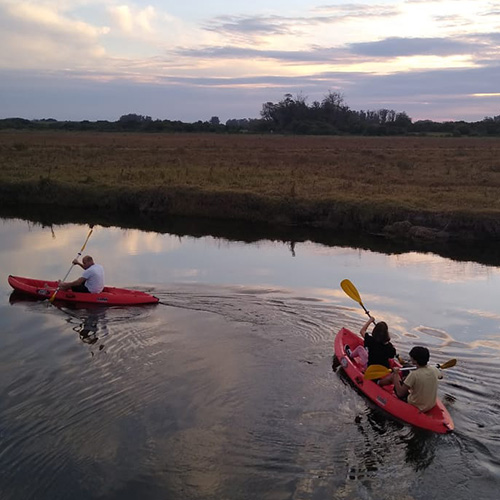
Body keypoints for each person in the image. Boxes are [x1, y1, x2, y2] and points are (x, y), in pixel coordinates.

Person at [347, 315, 396, 386]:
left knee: (360, 348)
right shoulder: (389, 347)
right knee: (391, 361)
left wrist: (370, 321)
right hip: (383, 371)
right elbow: (392, 355)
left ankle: (350, 355)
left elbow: (362, 331)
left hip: (371, 369)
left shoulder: (371, 340)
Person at [392, 346, 443, 412]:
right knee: (407, 373)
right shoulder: (434, 369)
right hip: (431, 405)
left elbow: (400, 393)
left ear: (414, 361)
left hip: (415, 405)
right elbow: (441, 377)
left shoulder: (414, 374)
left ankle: (378, 382)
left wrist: (396, 374)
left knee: (394, 377)